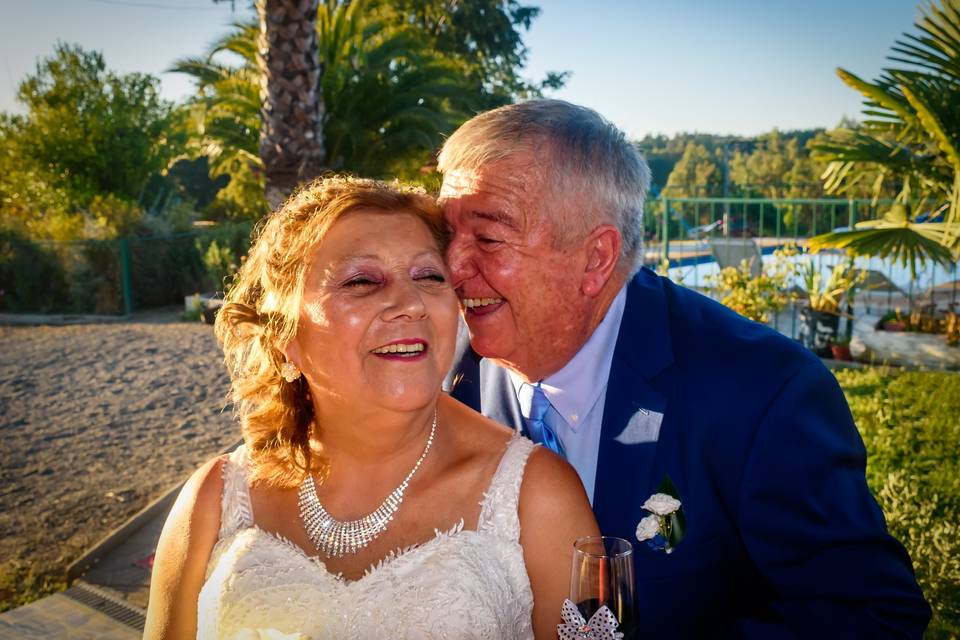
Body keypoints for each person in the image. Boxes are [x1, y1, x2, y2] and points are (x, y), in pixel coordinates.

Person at [439, 99, 931, 638]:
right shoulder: (446, 366)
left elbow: (871, 616)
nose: (453, 266)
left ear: (595, 258)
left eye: (487, 237)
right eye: (448, 234)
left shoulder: (762, 392)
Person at [143, 176, 598, 640]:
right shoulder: (214, 501)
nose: (410, 304)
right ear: (286, 339)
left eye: (429, 276)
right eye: (361, 281)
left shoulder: (537, 498)